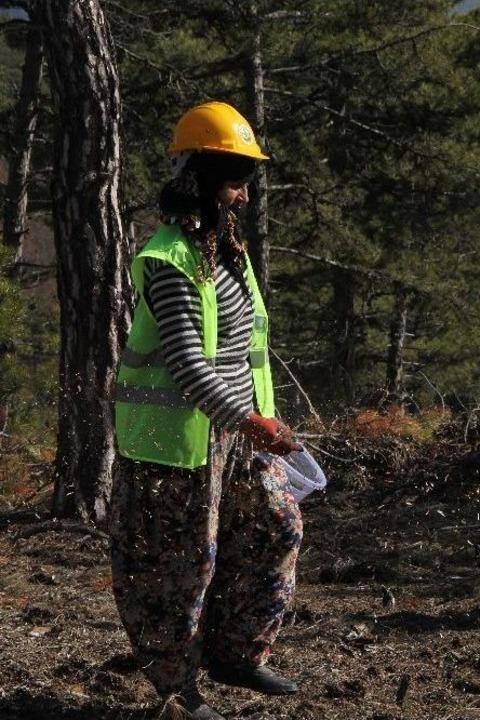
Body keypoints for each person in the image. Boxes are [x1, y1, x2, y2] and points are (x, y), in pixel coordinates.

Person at [111, 101, 303, 720]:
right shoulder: (169, 260)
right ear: (201, 177)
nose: (244, 196)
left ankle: (235, 654)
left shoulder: (229, 251)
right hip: (177, 442)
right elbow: (191, 365)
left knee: (278, 526)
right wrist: (250, 421)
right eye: (235, 180)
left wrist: (256, 422)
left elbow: (244, 351)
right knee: (180, 570)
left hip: (237, 435)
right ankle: (178, 691)